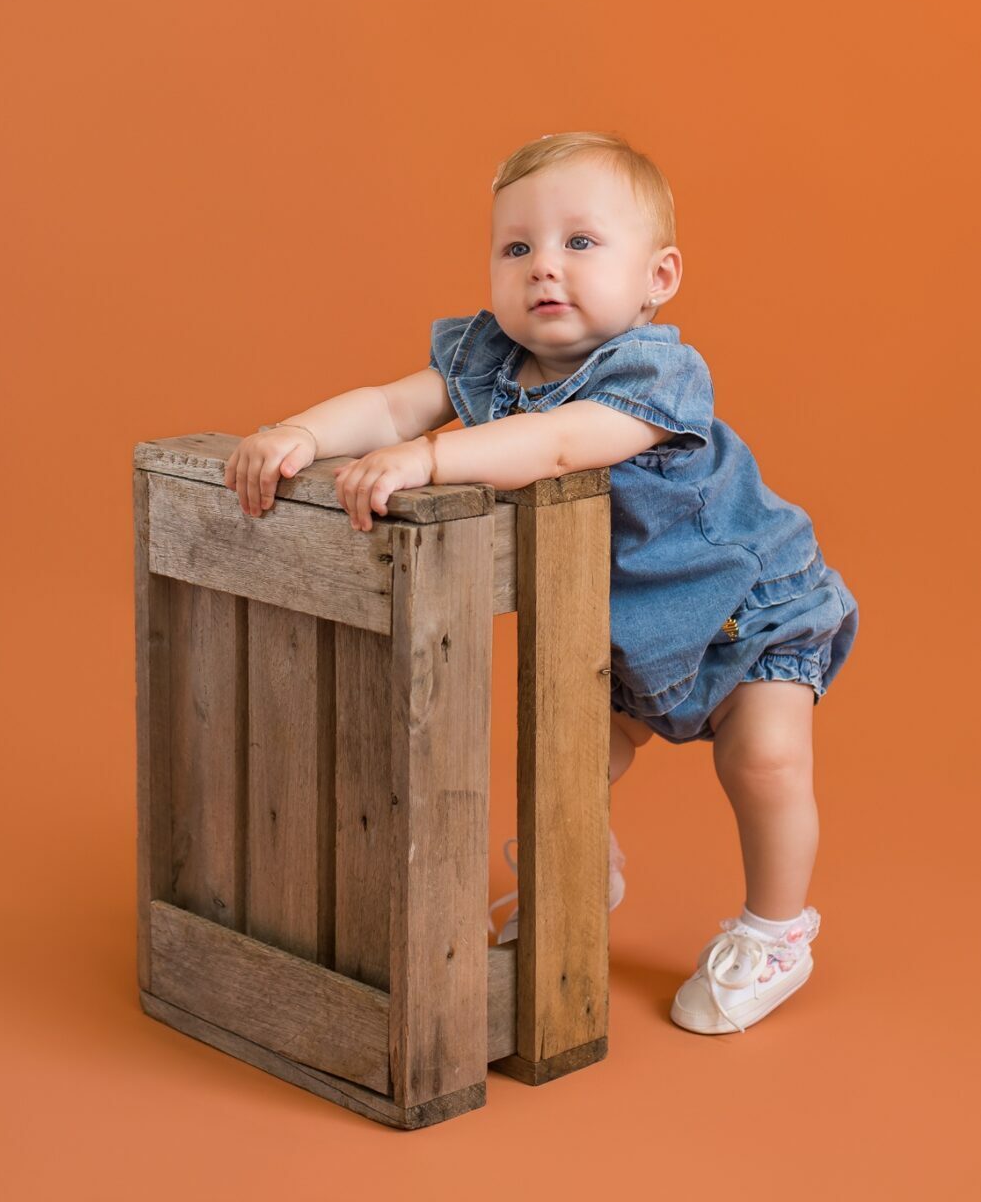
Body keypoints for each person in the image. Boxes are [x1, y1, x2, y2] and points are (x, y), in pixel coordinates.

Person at [224, 130, 859, 1035]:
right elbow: (390, 403)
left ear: (658, 278)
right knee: (567, 759)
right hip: (622, 624)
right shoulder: (485, 358)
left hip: (746, 610)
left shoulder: (656, 373)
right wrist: (300, 433)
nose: (543, 267)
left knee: (763, 760)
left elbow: (556, 444)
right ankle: (573, 880)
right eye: (516, 247)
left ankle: (774, 930)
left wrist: (428, 458)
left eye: (580, 242)